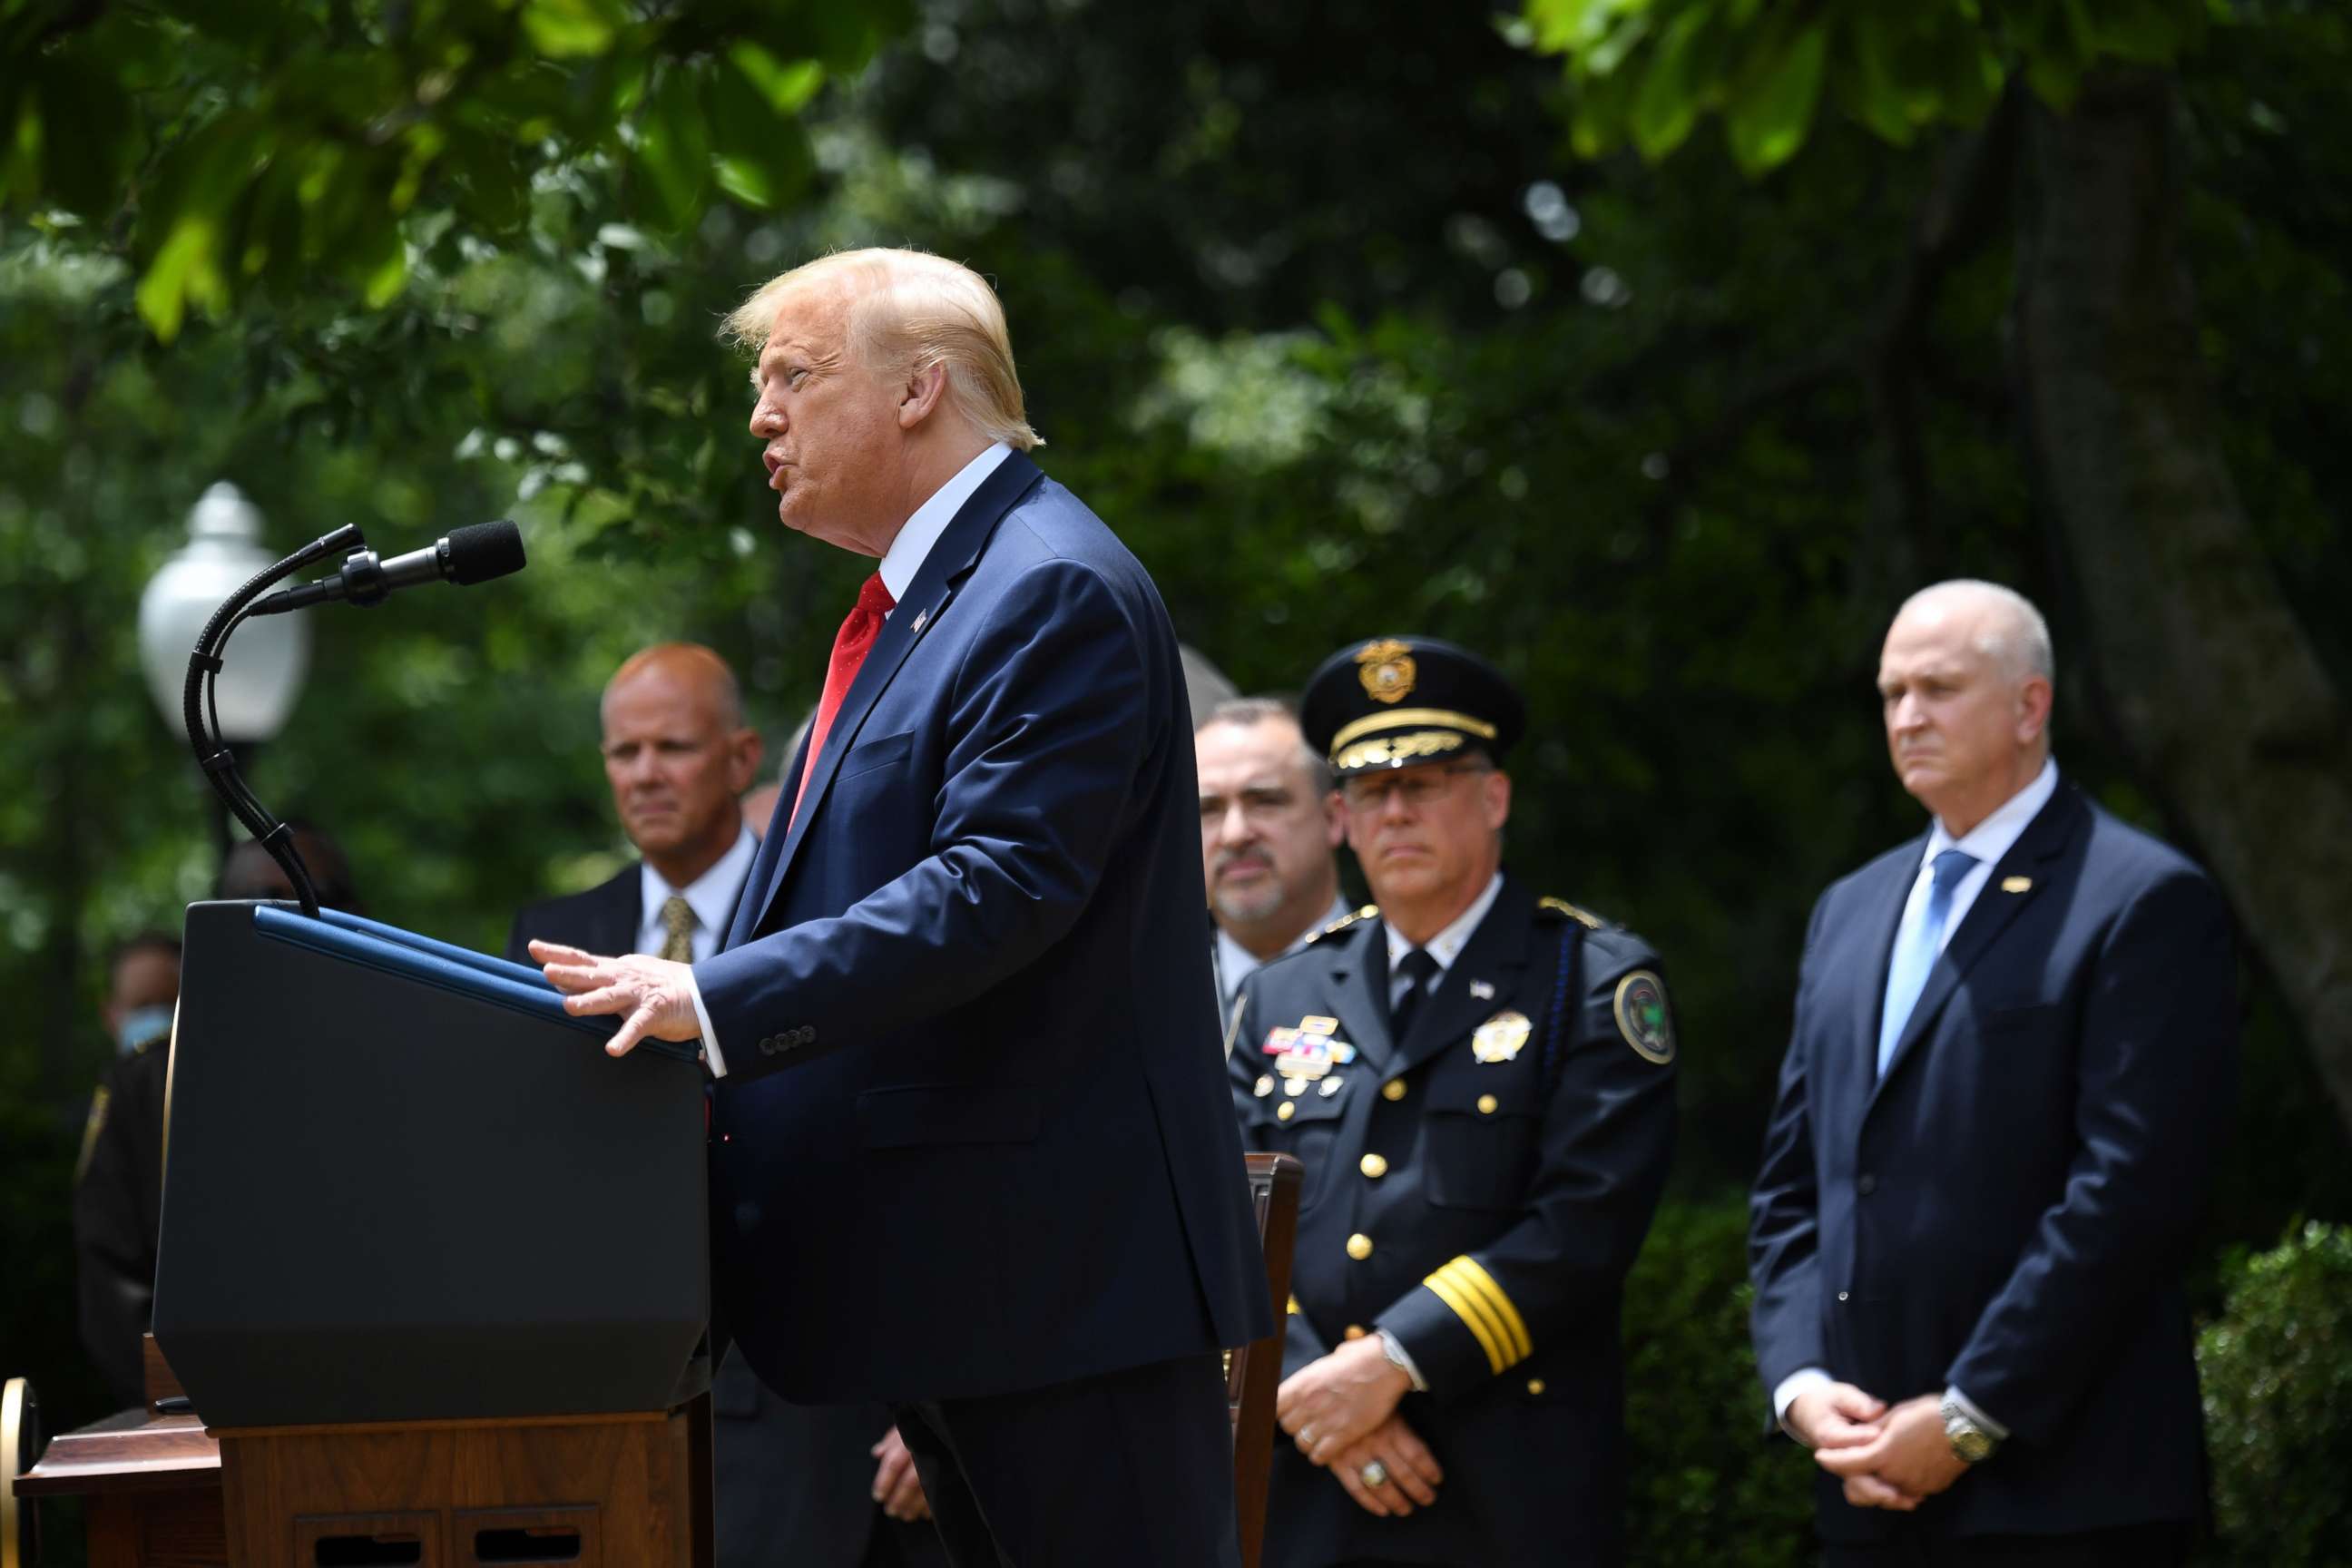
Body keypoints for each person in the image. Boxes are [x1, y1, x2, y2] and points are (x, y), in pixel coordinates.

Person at [529, 247, 1271, 1567]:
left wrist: (709, 995)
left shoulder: (1047, 585)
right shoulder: (931, 601)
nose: (761, 416)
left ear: (923, 385)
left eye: (793, 378)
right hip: (968, 1284)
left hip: (1061, 1287)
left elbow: (999, 886)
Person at [1747, 580, 2238, 1567]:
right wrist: (1800, 1385)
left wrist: (1973, 1414)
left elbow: (2131, 1194)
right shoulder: (1849, 909)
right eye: (1891, 694)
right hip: (1868, 1485)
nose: (1908, 716)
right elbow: (1798, 1188)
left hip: (2068, 1495)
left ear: (2030, 706)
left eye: (1939, 687)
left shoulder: (2139, 899)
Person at [1230, 635, 1678, 1568]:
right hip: (1307, 1480)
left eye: (1425, 783)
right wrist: (1318, 1396)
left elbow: (1584, 1226)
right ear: (1341, 817)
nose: (1396, 812)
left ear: (1495, 797)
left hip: (1503, 1488)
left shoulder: (1588, 980)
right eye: (1371, 791)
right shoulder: (1279, 996)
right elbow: (1224, 1214)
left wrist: (1390, 1364)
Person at [506, 645, 939, 1568]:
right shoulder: (555, 940)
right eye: (625, 753)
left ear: (743, 760)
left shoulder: (835, 919)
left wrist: (932, 1398)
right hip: (615, 1396)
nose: (647, 774)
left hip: (827, 1397)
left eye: (675, 747)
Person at [74, 826, 362, 1410]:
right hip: (203, 1429)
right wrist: (192, 1400)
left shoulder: (392, 1056)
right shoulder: (147, 1083)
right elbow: (111, 1278)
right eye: (258, 897)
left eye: (312, 893)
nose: (287, 912)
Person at [73, 931, 182, 1408]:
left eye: (169, 1002)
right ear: (112, 1015)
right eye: (143, 1006)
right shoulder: (121, 1093)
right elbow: (108, 1263)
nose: (157, 1025)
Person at [1196, 697, 1349, 1016]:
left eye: (1264, 801)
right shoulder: (1143, 999)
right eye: (1208, 809)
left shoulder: (1399, 981)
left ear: (1334, 818)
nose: (1234, 834)